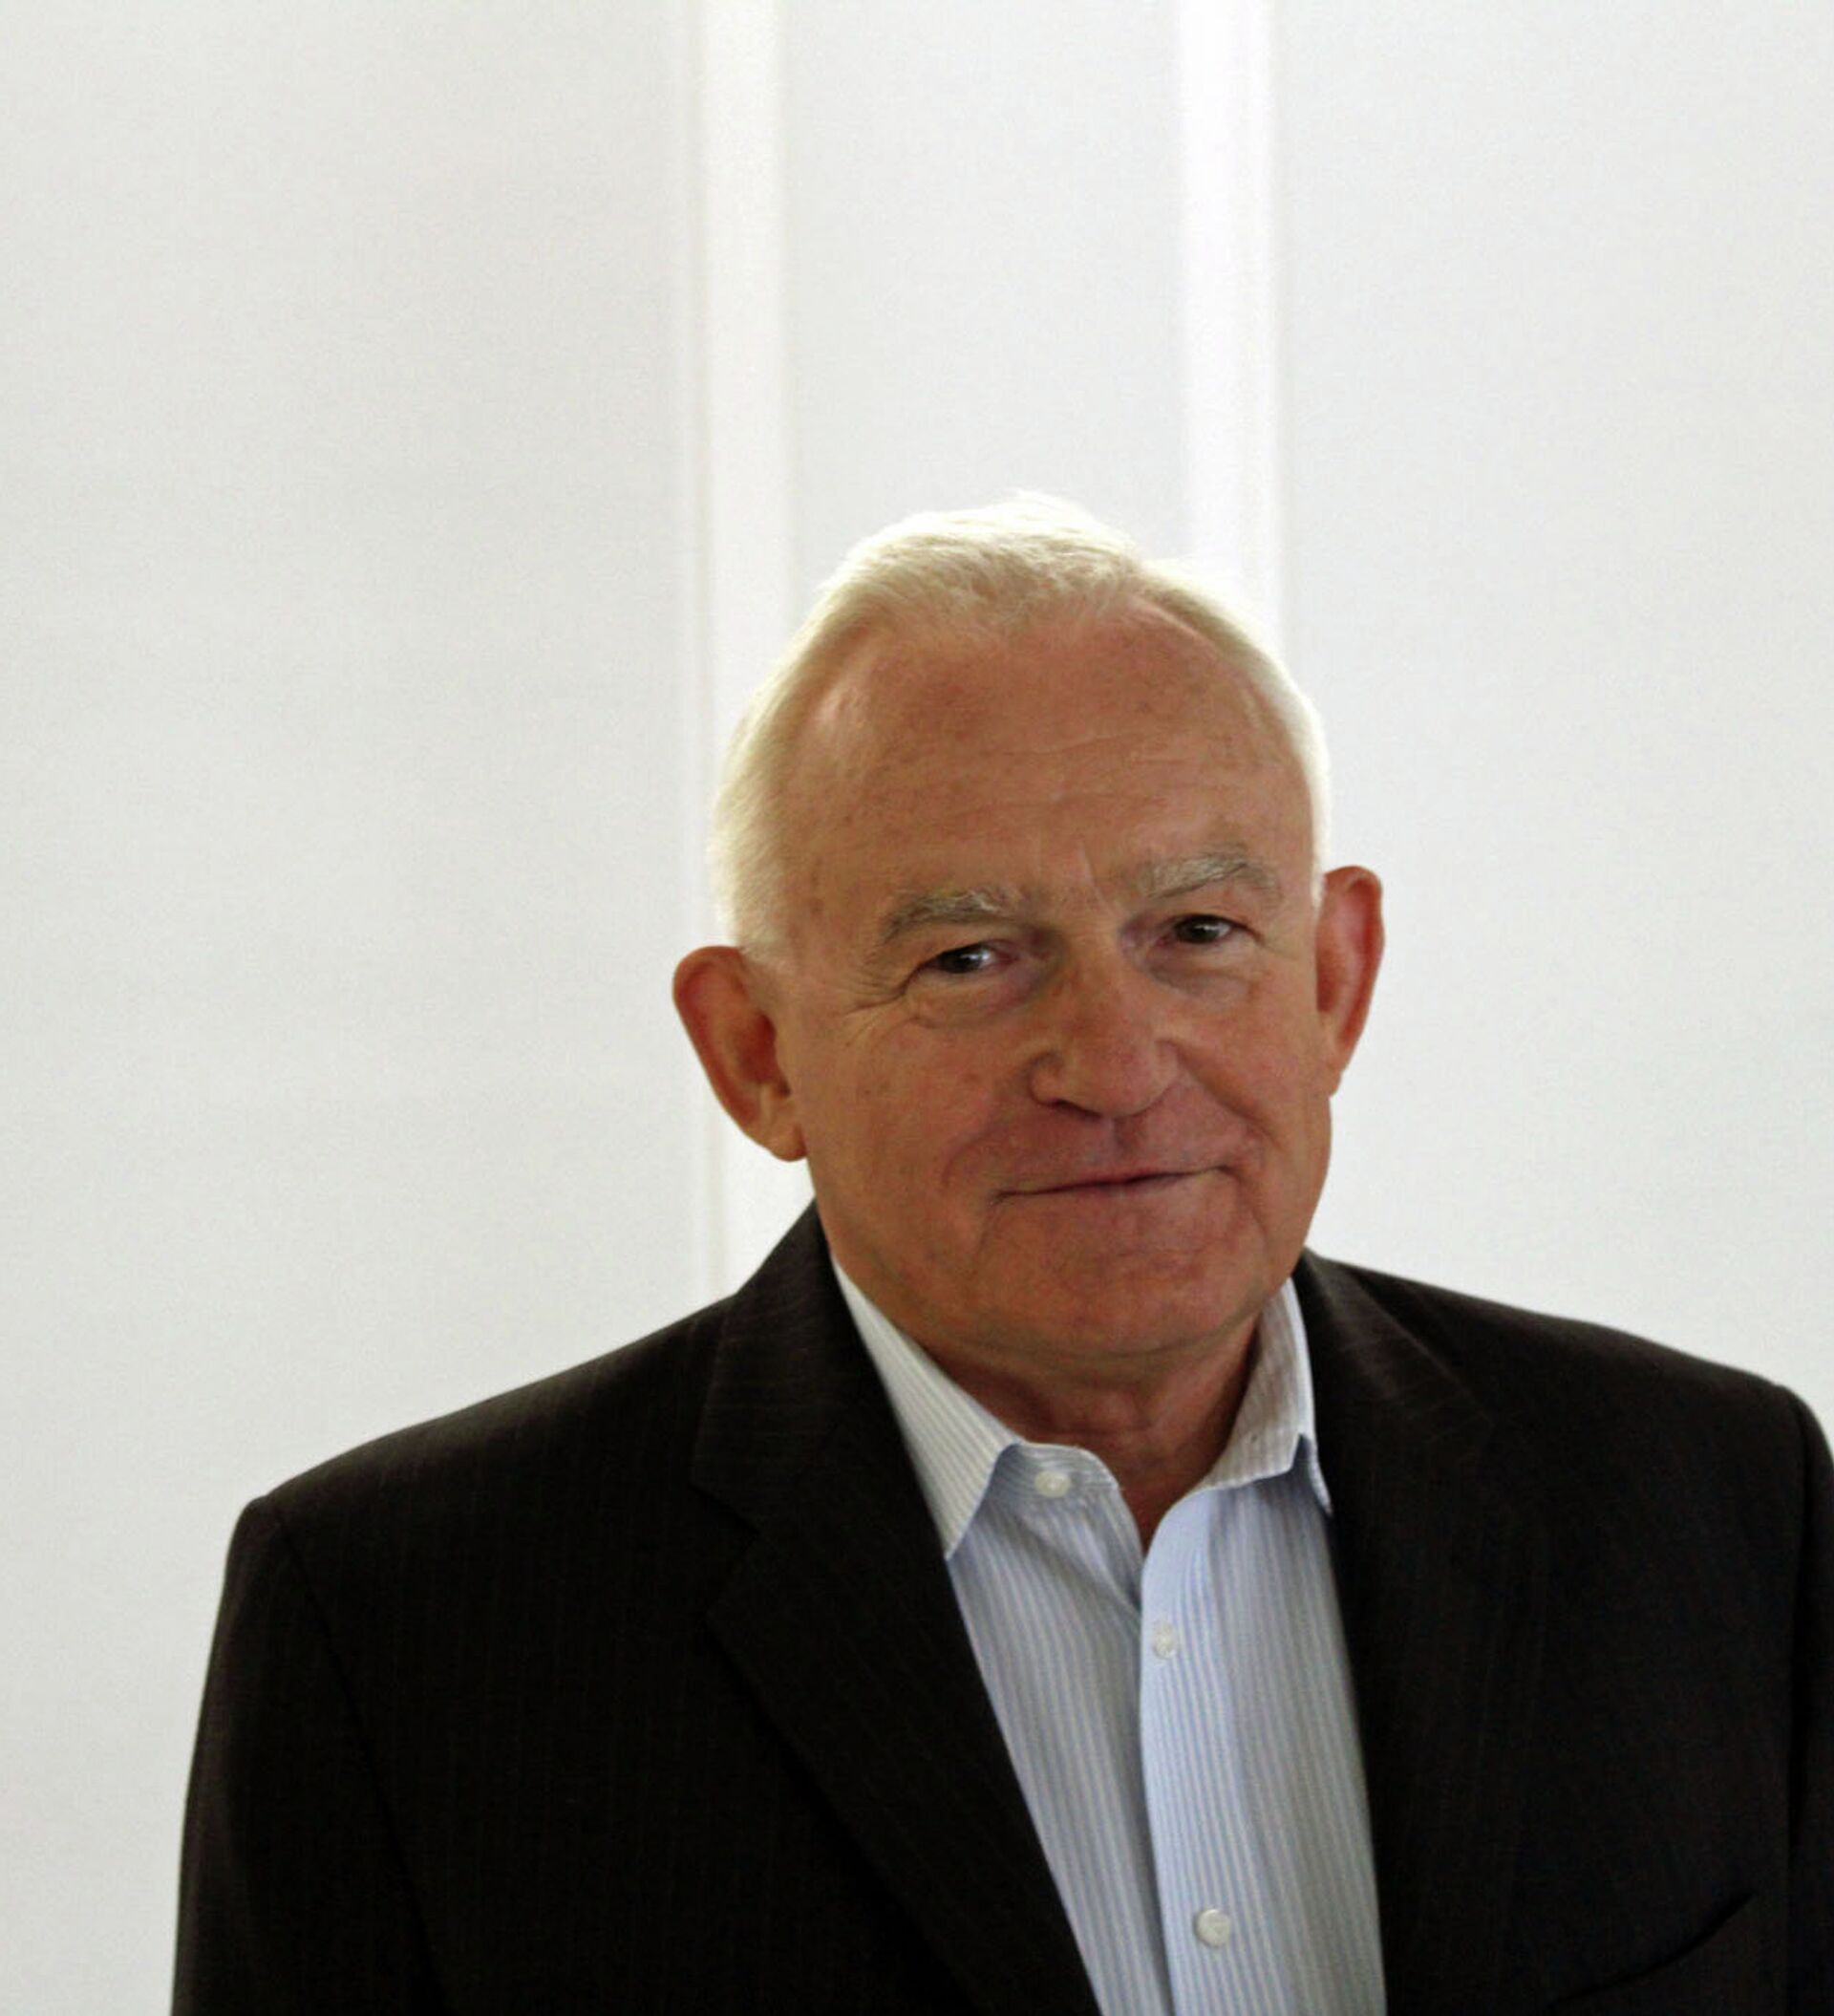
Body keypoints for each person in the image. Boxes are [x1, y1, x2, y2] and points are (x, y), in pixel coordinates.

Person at [174, 498, 1832, 2015]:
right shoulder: (403, 1635)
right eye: (970, 958)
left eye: (1198, 932)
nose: (1112, 1063)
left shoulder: (1715, 1503)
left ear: (1334, 980)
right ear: (756, 1052)